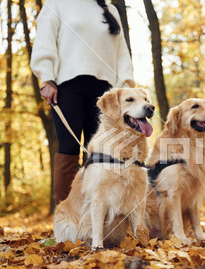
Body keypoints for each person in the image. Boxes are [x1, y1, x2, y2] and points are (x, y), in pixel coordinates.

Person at [31, 0, 135, 205]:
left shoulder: (110, 9)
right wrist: (47, 78)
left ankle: (94, 219)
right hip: (67, 88)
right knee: (69, 148)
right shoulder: (57, 4)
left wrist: (126, 88)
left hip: (106, 92)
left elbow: (122, 55)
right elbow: (45, 41)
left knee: (99, 154)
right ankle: (65, 221)